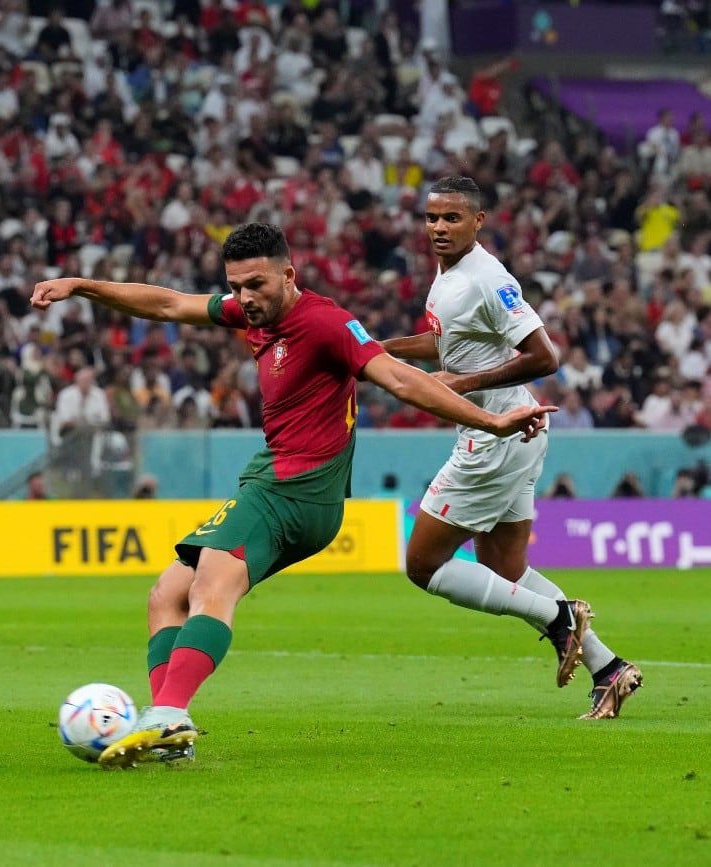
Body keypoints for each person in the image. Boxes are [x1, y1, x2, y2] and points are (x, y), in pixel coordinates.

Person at [31, 223, 555, 767]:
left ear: (289, 274)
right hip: (273, 480)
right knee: (167, 596)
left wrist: (490, 422)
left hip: (297, 489)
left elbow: (399, 380)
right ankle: (166, 729)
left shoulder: (328, 323)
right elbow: (166, 303)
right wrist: (82, 285)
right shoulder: (251, 313)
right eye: (235, 286)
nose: (244, 299)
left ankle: (168, 717)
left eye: (255, 284)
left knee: (213, 583)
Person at [382, 177, 640, 722]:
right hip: (515, 432)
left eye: (452, 218)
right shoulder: (449, 273)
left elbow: (545, 356)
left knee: (424, 564)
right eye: (431, 218)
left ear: (479, 221)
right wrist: (379, 352)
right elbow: (443, 342)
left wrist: (466, 386)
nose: (438, 228)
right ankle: (609, 669)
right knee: (506, 567)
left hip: (496, 433)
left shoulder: (488, 278)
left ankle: (559, 618)